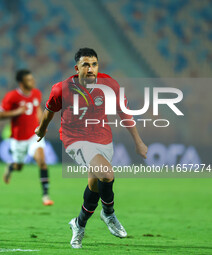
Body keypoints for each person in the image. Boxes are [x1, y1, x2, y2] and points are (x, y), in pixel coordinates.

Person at [35, 48, 148, 248]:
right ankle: (109, 214)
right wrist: (42, 130)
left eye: (94, 64)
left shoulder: (110, 85)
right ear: (76, 67)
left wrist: (138, 141)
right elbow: (49, 111)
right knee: (106, 174)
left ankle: (78, 224)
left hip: (103, 139)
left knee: (95, 186)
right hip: (75, 139)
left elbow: (124, 113)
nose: (90, 69)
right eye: (86, 64)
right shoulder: (61, 89)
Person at [0, 69, 54, 206]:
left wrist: (42, 125)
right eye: (29, 80)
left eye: (32, 79)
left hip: (34, 136)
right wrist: (16, 111)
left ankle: (45, 195)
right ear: (21, 83)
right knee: (19, 166)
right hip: (18, 139)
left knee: (42, 161)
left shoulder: (36, 93)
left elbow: (38, 110)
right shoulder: (12, 96)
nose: (33, 81)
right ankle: (10, 167)